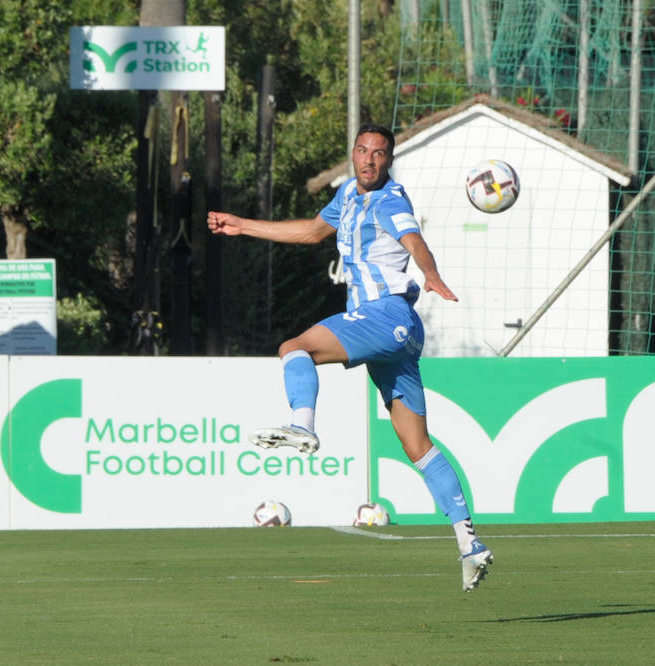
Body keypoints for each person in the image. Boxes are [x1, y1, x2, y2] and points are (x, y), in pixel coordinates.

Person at [207, 122, 494, 591]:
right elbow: (312, 232)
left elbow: (414, 241)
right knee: (417, 446)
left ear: (389, 161)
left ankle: (303, 423)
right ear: (354, 153)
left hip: (385, 316)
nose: (369, 160)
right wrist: (243, 226)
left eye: (379, 154)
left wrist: (432, 273)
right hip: (397, 330)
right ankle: (470, 544)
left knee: (293, 347)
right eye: (363, 151)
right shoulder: (348, 194)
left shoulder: (389, 199)